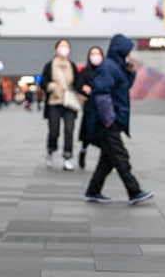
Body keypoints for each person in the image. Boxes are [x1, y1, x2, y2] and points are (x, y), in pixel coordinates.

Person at [83, 34, 154, 205]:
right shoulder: (108, 67)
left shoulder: (116, 67)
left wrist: (130, 73)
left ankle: (93, 191)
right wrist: (109, 120)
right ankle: (134, 191)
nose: (130, 55)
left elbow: (122, 89)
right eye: (128, 51)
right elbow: (101, 94)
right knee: (121, 157)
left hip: (111, 120)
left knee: (107, 160)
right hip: (107, 123)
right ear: (120, 51)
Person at [39, 39, 82, 171]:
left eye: (67, 47)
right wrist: (51, 86)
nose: (64, 49)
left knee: (69, 130)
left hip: (69, 102)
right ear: (56, 49)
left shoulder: (72, 65)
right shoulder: (50, 65)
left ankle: (67, 157)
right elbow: (43, 82)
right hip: (54, 102)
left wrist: (80, 89)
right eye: (62, 46)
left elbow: (78, 82)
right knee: (54, 131)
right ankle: (50, 151)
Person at [76, 46, 104, 170]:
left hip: (103, 107)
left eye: (98, 54)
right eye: (93, 54)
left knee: (103, 134)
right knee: (87, 132)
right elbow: (78, 84)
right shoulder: (85, 71)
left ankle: (105, 157)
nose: (95, 56)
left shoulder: (105, 70)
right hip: (89, 106)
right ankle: (83, 151)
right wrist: (83, 88)